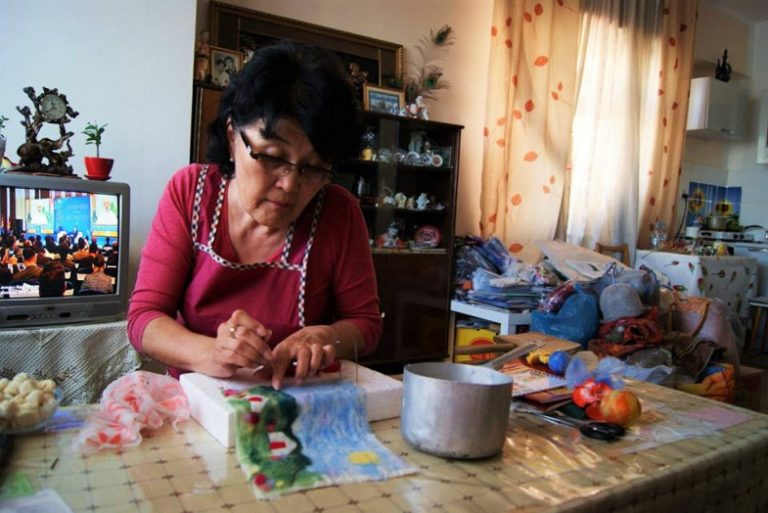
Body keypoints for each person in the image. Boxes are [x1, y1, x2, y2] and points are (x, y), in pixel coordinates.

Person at [128, 41, 380, 390]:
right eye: (274, 157)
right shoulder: (189, 192)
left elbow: (365, 325)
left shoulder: (339, 212)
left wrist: (327, 337)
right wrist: (211, 353)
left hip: (298, 401)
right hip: (200, 403)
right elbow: (144, 319)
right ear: (233, 137)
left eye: (313, 168)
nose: (290, 184)